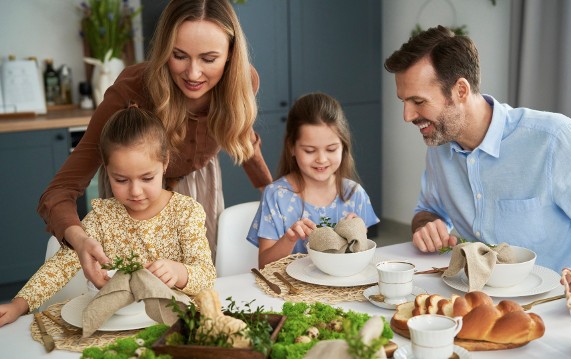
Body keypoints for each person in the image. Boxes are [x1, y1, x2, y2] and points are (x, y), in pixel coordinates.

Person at [37, 0, 272, 289]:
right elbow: (59, 190)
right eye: (179, 56)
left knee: (191, 286)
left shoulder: (243, 79)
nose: (194, 73)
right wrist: (80, 239)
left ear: (230, 56)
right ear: (164, 49)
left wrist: (271, 191)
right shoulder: (133, 88)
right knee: (131, 292)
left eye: (209, 59)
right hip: (132, 191)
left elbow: (239, 128)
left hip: (199, 187)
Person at [384, 26, 571, 282]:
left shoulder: (553, 140)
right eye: (403, 102)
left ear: (460, 91)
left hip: (562, 302)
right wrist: (426, 226)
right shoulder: (440, 144)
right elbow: (428, 209)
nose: (407, 116)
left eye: (418, 102)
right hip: (481, 298)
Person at [0, 105, 216, 327]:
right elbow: (60, 266)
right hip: (115, 323)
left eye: (147, 178)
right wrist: (18, 304)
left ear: (165, 163)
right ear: (106, 170)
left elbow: (206, 274)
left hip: (172, 322)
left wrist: (179, 272)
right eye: (121, 180)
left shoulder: (186, 212)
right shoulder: (102, 217)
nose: (135, 191)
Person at [247, 93, 380, 268]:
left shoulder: (354, 194)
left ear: (343, 146)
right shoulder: (277, 196)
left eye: (331, 149)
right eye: (310, 150)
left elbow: (364, 259)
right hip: (293, 292)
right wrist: (290, 238)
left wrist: (360, 234)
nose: (322, 159)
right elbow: (264, 265)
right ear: (292, 148)